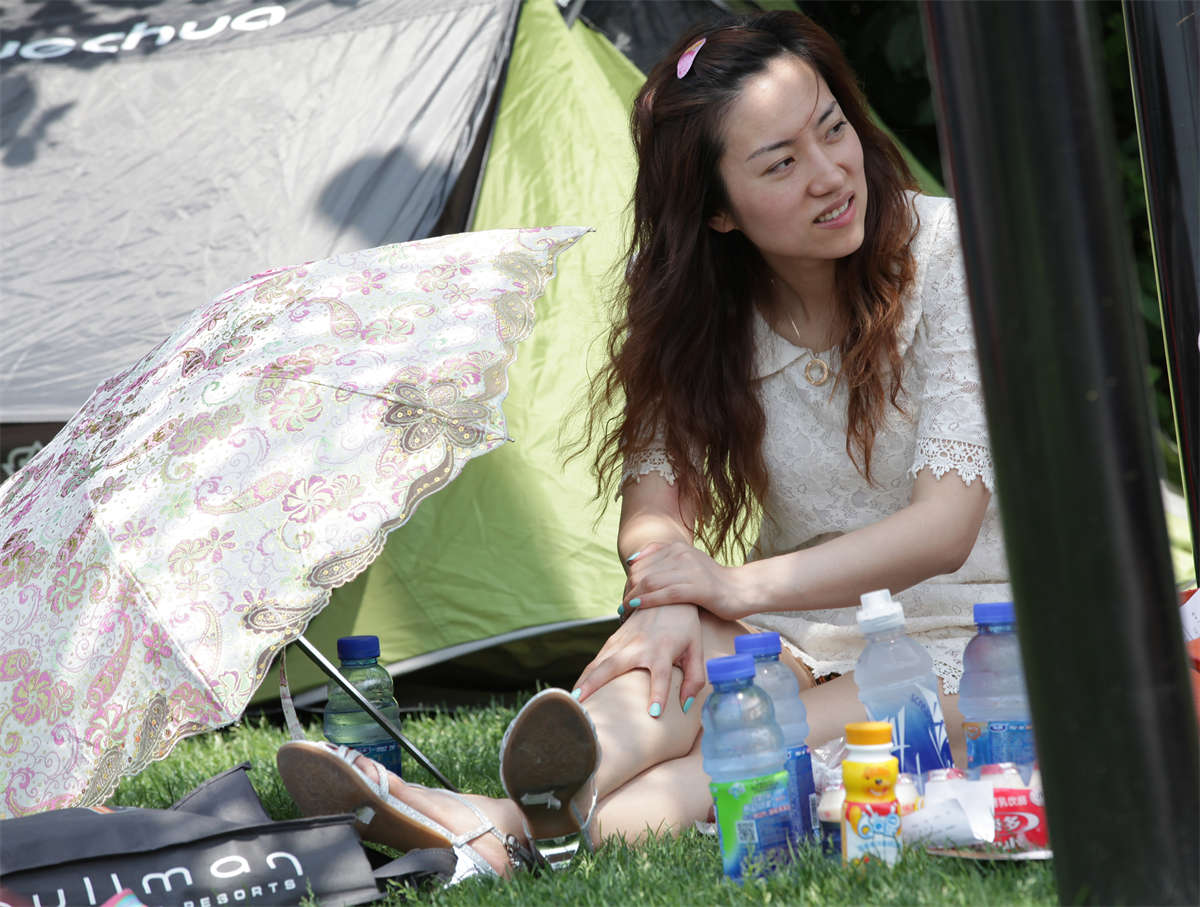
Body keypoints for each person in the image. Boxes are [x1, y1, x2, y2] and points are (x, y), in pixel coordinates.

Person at [276, 10, 1009, 879]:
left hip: (978, 638)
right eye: (781, 163)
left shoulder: (950, 255)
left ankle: (498, 822)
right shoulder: (708, 312)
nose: (830, 174)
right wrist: (666, 597)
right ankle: (526, 802)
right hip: (797, 626)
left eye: (832, 129)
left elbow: (944, 529)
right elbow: (656, 506)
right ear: (718, 212)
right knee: (672, 653)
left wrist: (724, 585)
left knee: (684, 782)